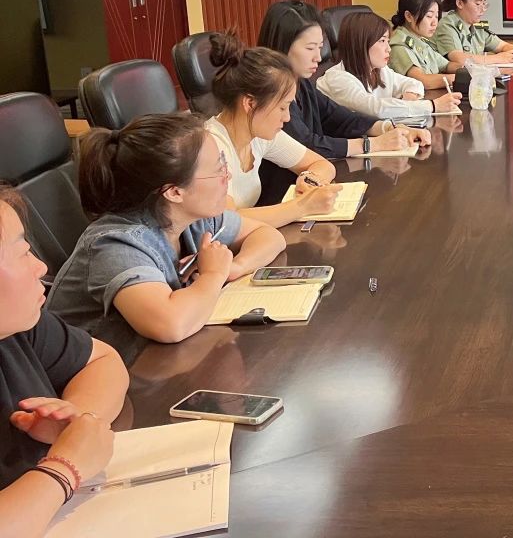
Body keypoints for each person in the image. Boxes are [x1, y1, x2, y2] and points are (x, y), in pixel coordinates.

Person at [48, 113, 286, 346]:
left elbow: (269, 236)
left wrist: (233, 268)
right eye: (218, 170)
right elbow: (171, 325)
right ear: (174, 192)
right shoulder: (115, 245)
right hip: (96, 370)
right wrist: (213, 275)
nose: (228, 175)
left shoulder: (191, 217)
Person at [0, 186, 128, 534]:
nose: (40, 267)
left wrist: (77, 422)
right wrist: (64, 467)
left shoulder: (17, 325)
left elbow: (102, 361)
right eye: (23, 253)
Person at [256, 0, 430, 203]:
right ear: (282, 47)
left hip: (309, 190)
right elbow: (306, 145)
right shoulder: (267, 95)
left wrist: (390, 128)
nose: (318, 57)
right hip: (280, 197)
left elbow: (338, 117)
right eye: (310, 48)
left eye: (320, 47)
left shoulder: (302, 84)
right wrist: (371, 144)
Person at [205, 33, 342, 228]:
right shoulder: (211, 148)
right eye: (282, 107)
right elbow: (225, 222)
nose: (287, 118)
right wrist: (302, 206)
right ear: (250, 104)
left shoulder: (257, 134)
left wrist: (309, 179)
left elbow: (322, 164)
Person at [318, 11, 462, 119]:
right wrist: (433, 106)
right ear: (360, 44)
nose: (388, 49)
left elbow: (414, 83)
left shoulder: (380, 70)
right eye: (382, 41)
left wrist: (409, 99)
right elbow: (376, 109)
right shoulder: (337, 79)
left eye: (388, 41)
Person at [388, 0, 461, 87]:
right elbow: (422, 80)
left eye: (436, 16)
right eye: (429, 16)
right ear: (409, 16)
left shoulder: (420, 40)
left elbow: (446, 65)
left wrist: (469, 69)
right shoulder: (399, 46)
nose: (434, 23)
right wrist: (458, 78)